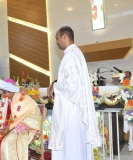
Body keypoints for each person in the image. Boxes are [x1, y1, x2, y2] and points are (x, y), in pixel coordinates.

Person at [47, 26, 101, 160]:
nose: (56, 41)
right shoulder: (75, 53)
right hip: (74, 108)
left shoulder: (71, 56)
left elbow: (72, 86)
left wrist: (55, 86)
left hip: (71, 111)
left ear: (65, 37)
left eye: (57, 38)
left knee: (72, 145)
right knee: (76, 145)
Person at [0, 78, 42, 160]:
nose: (6, 94)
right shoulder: (5, 101)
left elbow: (33, 118)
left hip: (20, 129)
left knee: (6, 143)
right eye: (5, 91)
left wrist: (12, 127)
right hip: (4, 128)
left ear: (15, 89)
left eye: (9, 91)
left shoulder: (24, 99)